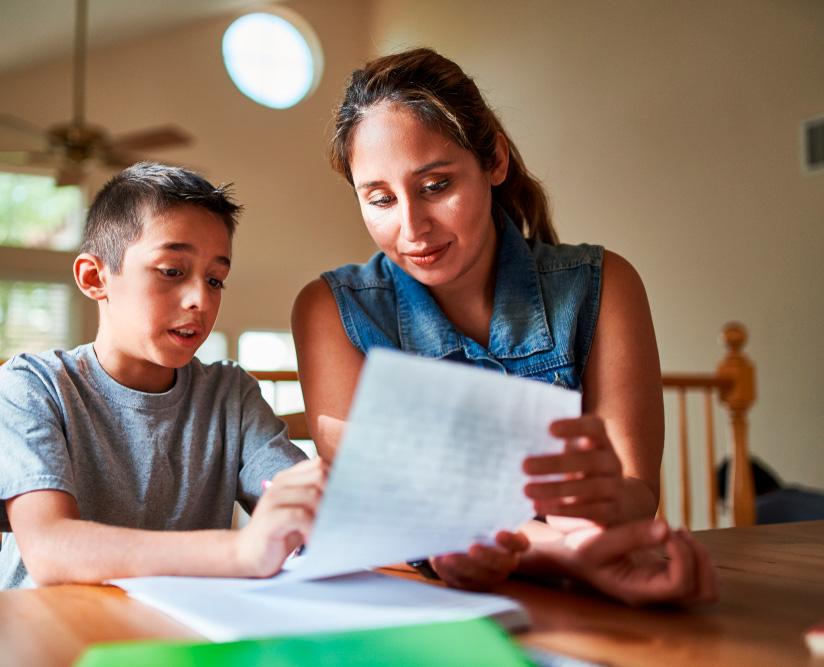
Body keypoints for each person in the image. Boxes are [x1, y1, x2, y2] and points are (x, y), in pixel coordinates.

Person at [292, 48, 716, 604]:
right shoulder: (330, 310)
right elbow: (394, 512)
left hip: (578, 601)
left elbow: (637, 490)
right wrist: (562, 551)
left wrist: (601, 503)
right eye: (380, 199)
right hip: (416, 605)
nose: (412, 227)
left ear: (493, 159)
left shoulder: (604, 284)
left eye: (436, 185)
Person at [0, 163, 323, 589]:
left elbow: (294, 497)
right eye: (172, 271)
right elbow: (50, 549)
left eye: (216, 279)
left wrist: (314, 506)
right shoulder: (32, 385)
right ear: (95, 278)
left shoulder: (231, 394)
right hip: (45, 636)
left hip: (175, 633)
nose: (200, 300)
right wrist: (240, 551)